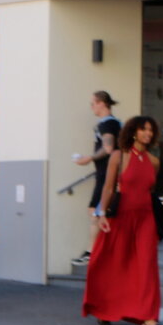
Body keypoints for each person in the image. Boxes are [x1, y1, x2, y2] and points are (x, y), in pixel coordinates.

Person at [82, 115, 163, 325]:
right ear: (133, 131)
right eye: (143, 129)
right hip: (120, 216)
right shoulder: (119, 157)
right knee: (112, 263)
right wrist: (102, 215)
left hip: (145, 217)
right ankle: (105, 308)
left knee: (147, 264)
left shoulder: (154, 161)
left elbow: (150, 191)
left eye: (150, 130)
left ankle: (148, 316)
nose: (147, 133)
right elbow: (108, 187)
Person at [72, 91, 121, 265]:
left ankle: (93, 252)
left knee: (97, 213)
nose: (92, 107)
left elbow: (108, 148)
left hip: (107, 175)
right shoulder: (112, 123)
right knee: (95, 211)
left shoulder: (107, 124)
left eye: (93, 103)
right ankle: (95, 251)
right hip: (106, 174)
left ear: (101, 103)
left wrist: (89, 158)